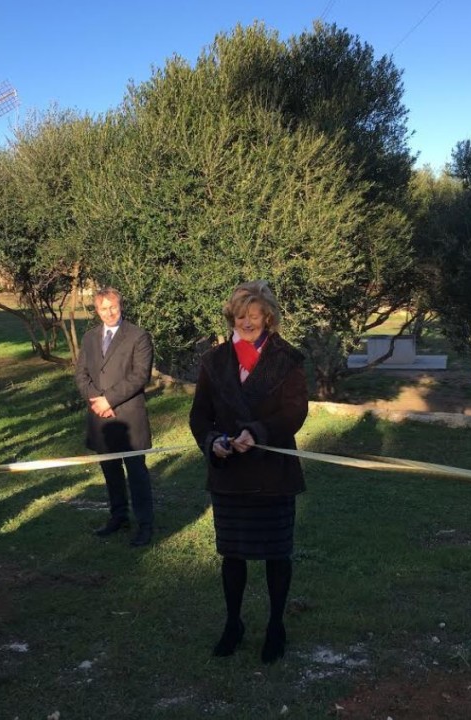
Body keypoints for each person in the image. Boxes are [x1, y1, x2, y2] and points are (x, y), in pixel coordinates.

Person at [188, 281, 308, 664]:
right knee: (233, 555)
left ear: (268, 317)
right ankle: (233, 623)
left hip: (273, 475)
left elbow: (294, 412)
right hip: (230, 476)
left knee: (277, 555)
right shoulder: (214, 360)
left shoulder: (287, 358)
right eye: (241, 315)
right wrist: (212, 442)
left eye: (254, 315)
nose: (247, 321)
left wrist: (256, 432)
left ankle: (276, 625)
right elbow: (199, 414)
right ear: (232, 317)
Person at [74, 287, 155, 548]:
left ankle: (145, 524)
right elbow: (81, 374)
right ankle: (118, 516)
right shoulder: (89, 338)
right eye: (103, 308)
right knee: (110, 471)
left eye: (113, 307)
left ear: (120, 307)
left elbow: (140, 375)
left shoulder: (138, 336)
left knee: (136, 474)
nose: (109, 313)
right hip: (101, 418)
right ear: (96, 310)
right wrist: (97, 402)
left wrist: (109, 400)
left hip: (128, 415)